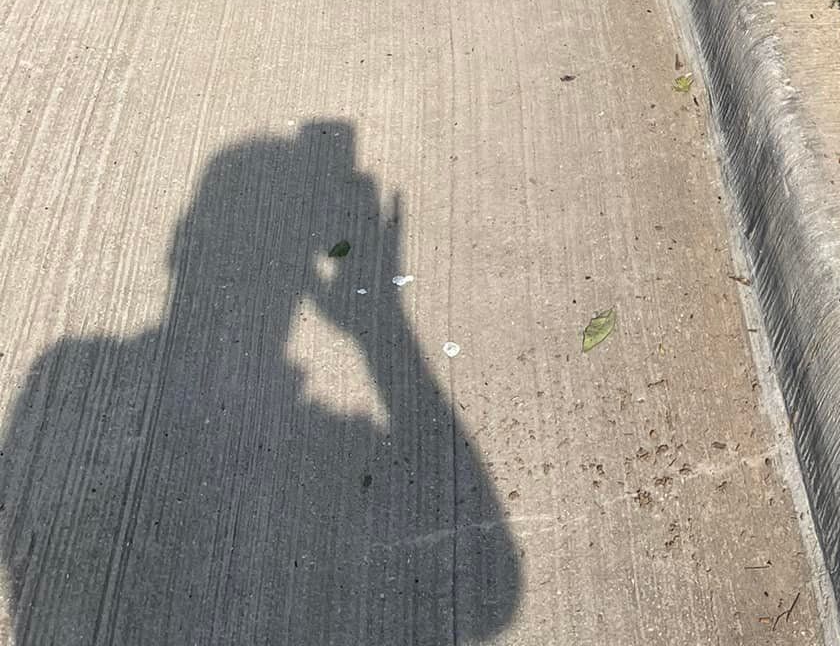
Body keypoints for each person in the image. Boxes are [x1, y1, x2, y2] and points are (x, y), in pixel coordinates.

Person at [0, 123, 519, 644]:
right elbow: (492, 583)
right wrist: (383, 327)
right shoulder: (322, 447)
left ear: (180, 245)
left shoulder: (70, 372)